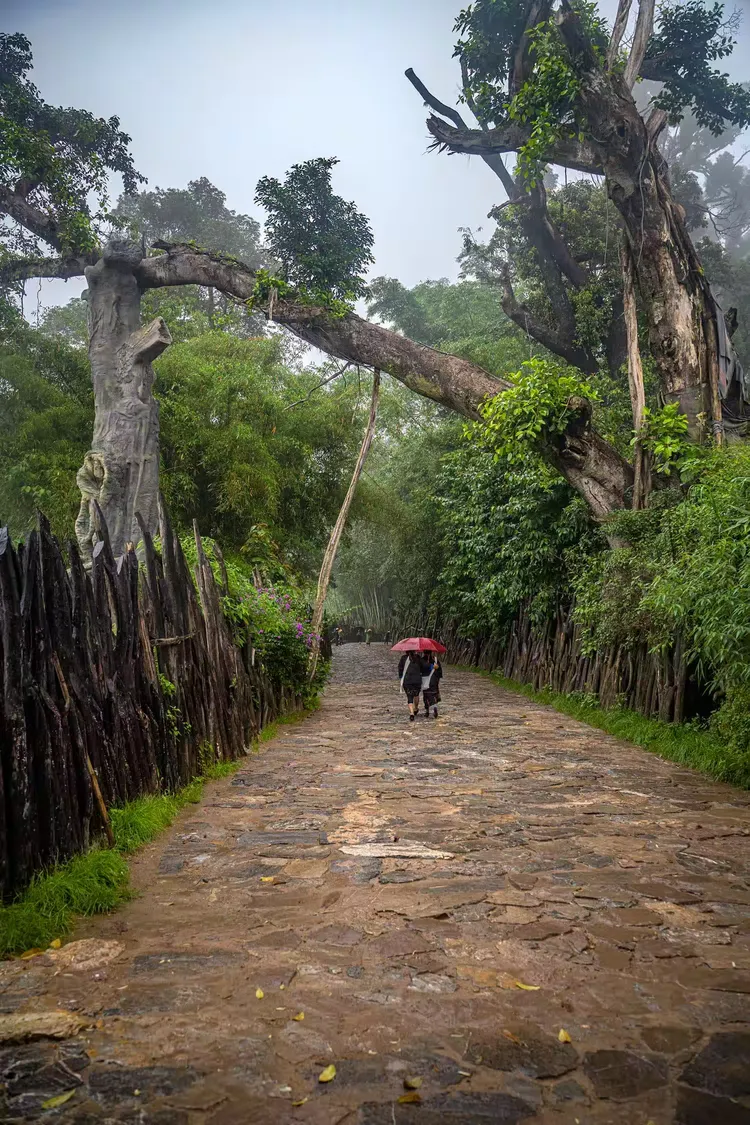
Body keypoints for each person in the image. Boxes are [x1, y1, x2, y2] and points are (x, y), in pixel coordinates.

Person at [398, 649, 430, 721]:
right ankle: (416, 708)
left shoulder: (403, 658)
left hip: (407, 680)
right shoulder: (418, 658)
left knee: (409, 696)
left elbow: (400, 668)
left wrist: (401, 676)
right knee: (416, 695)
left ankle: (411, 713)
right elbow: (424, 667)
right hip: (417, 680)